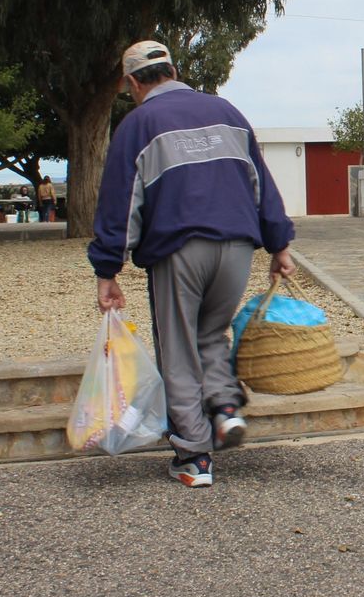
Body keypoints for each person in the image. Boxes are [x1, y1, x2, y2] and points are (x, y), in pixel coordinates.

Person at [89, 39, 296, 489]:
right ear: (174, 69)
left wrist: (108, 270)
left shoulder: (138, 124)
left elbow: (121, 204)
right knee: (209, 334)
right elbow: (261, 181)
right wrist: (280, 246)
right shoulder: (228, 112)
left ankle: (194, 456)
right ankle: (224, 409)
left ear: (131, 83)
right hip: (238, 246)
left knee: (179, 348)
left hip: (179, 248)